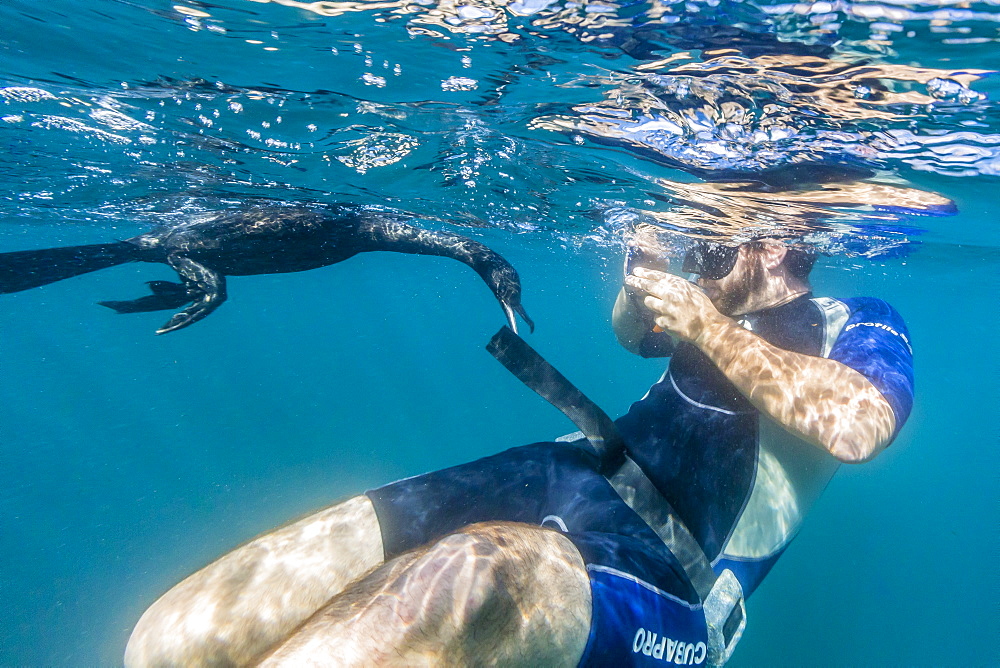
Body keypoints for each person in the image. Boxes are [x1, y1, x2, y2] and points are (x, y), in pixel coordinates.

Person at [124, 235, 914, 667]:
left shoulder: (859, 318)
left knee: (472, 580)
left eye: (719, 244)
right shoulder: (718, 297)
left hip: (675, 566)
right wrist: (642, 288)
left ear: (780, 245)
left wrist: (706, 323)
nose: (704, 251)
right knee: (175, 636)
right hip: (569, 468)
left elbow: (858, 426)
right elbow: (636, 338)